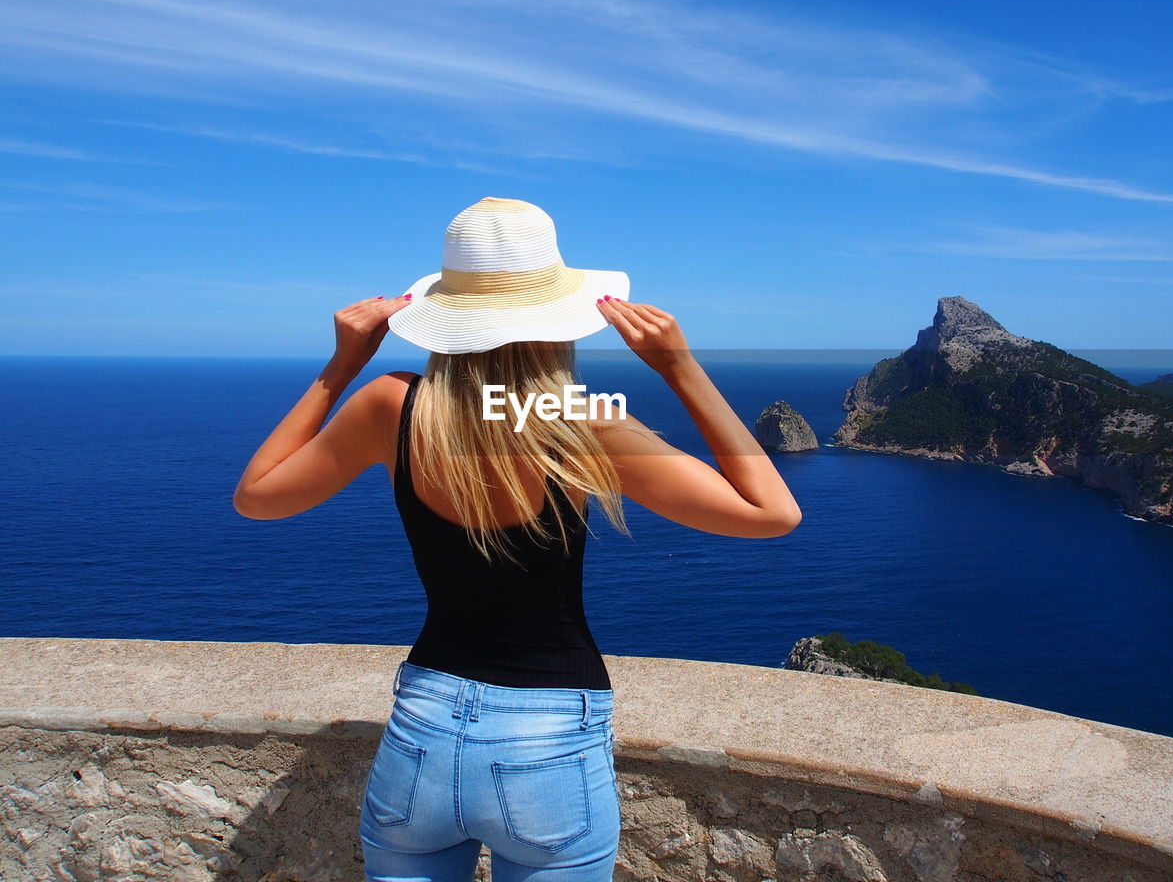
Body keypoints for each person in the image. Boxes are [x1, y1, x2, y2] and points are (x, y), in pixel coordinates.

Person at [233, 197, 802, 882]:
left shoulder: (391, 405)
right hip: (551, 742)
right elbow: (772, 512)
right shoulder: (583, 424)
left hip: (423, 731)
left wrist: (342, 364)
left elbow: (256, 497)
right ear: (559, 317)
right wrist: (680, 368)